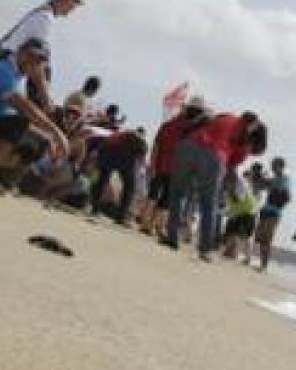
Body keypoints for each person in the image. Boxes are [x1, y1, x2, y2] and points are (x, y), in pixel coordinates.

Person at [164, 111, 268, 261]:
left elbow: (206, 122)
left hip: (189, 145)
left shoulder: (228, 117)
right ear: (255, 141)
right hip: (215, 156)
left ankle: (172, 238)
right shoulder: (245, 145)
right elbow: (229, 167)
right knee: (209, 204)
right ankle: (205, 249)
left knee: (177, 194)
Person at [0, 37, 70, 189]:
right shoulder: (3, 69)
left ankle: (6, 177)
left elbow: (43, 108)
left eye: (40, 61)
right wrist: (57, 132)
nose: (34, 62)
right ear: (21, 52)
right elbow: (23, 106)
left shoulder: (19, 75)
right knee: (20, 123)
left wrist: (51, 136)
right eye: (32, 56)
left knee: (43, 141)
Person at [0, 0, 83, 112]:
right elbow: (36, 63)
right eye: (75, 3)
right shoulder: (45, 19)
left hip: (2, 65)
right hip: (6, 69)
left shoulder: (42, 13)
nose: (74, 8)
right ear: (66, 0)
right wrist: (46, 100)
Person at [140, 95, 208, 237]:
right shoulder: (194, 130)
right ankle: (155, 225)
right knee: (166, 199)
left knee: (154, 194)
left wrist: (152, 163)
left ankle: (147, 223)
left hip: (161, 164)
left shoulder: (168, 124)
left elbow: (156, 145)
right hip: (176, 169)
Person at [89, 128, 149, 225]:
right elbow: (142, 156)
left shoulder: (120, 135)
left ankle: (94, 209)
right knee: (129, 187)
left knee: (102, 181)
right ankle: (121, 217)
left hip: (107, 152)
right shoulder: (139, 140)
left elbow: (102, 146)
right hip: (122, 154)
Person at [253, 156, 292, 271]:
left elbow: (279, 189)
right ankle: (262, 264)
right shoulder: (274, 179)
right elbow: (259, 187)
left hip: (274, 213)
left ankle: (264, 266)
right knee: (261, 239)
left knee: (267, 239)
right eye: (272, 165)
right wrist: (258, 178)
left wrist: (264, 180)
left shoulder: (285, 179)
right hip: (265, 210)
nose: (272, 167)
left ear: (281, 166)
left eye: (274, 165)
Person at [221, 178, 258, 263]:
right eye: (226, 184)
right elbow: (230, 206)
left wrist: (231, 193)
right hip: (238, 213)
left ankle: (247, 258)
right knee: (231, 232)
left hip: (250, 211)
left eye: (227, 184)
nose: (226, 186)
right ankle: (230, 252)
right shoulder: (227, 193)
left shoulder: (241, 184)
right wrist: (228, 212)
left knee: (246, 236)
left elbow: (240, 199)